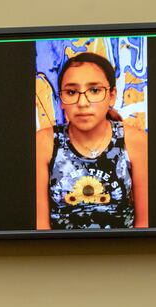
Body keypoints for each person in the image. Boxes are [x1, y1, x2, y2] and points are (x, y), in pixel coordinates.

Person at [36, 52, 148, 230]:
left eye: (94, 90)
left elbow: (145, 224)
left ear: (111, 96)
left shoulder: (135, 141)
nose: (82, 102)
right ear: (61, 100)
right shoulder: (44, 143)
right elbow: (40, 227)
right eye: (72, 92)